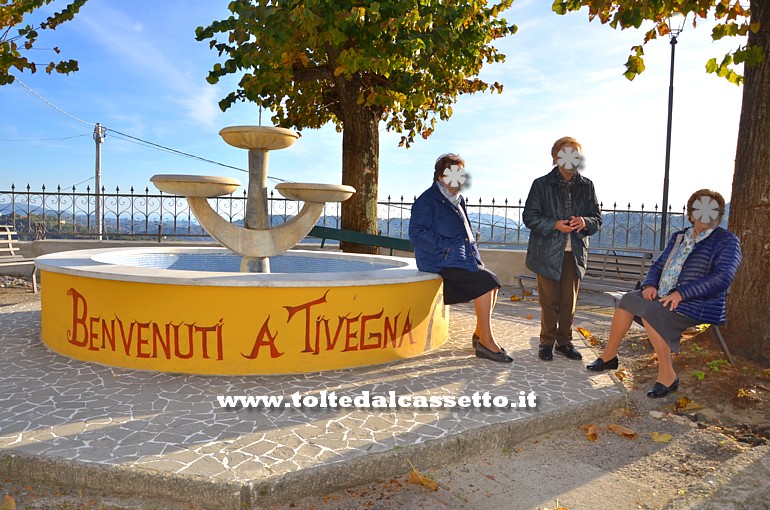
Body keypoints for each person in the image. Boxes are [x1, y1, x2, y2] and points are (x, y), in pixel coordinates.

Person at [587, 189, 742, 397]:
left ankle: (668, 376)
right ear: (692, 212)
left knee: (653, 312)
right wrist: (649, 285)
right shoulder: (680, 236)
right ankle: (609, 356)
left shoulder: (726, 240)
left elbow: (723, 277)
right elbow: (658, 266)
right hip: (664, 294)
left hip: (697, 302)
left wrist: (682, 293)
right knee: (628, 300)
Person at [409, 153, 512, 363]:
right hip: (438, 261)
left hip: (459, 259)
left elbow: (467, 233)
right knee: (486, 282)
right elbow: (416, 233)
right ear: (440, 177)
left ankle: (480, 334)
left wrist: (475, 258)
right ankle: (486, 343)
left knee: (492, 282)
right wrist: (446, 248)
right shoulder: (427, 201)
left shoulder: (457, 200)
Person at [523, 136, 602, 362]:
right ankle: (546, 343)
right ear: (555, 157)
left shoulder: (587, 185)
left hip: (575, 251)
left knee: (569, 301)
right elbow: (529, 216)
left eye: (575, 154)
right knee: (549, 301)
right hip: (546, 251)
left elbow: (597, 218)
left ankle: (564, 343)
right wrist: (554, 224)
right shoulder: (541, 184)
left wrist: (585, 222)